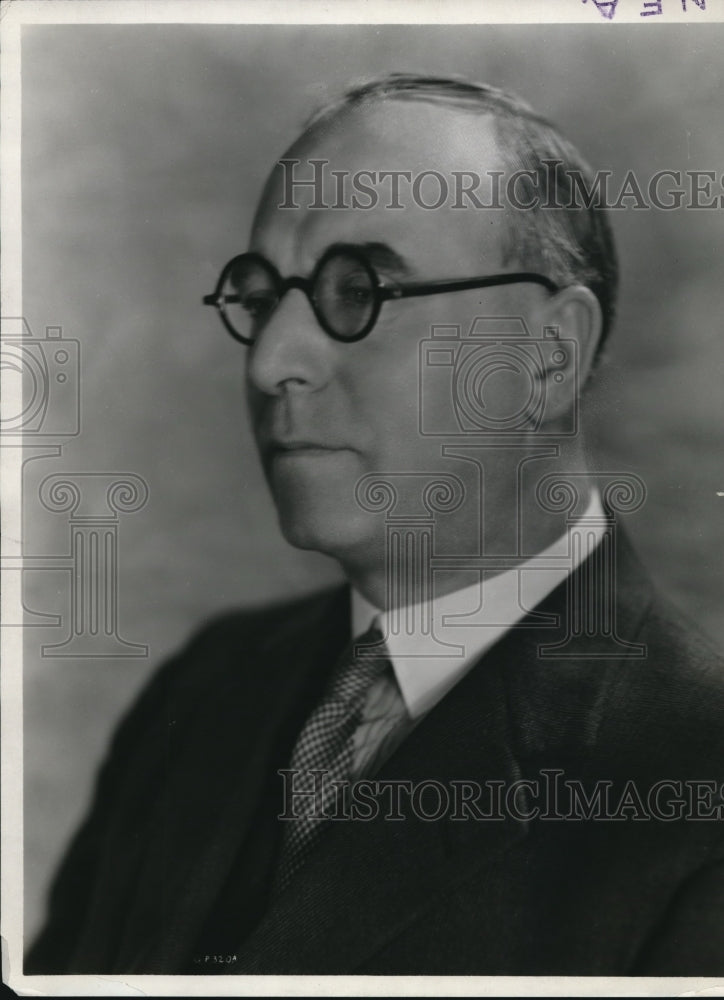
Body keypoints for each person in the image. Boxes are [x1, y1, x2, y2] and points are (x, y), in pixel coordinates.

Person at [27, 73, 724, 977]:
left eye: (360, 290)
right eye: (260, 293)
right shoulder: (206, 691)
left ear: (547, 360)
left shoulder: (695, 782)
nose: (274, 360)